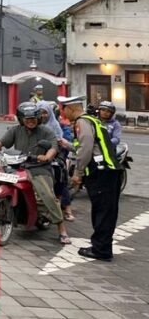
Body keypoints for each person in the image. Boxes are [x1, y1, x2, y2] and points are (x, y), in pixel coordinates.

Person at [0, 102, 71, 245]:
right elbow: (1, 142)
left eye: (33, 119)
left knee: (47, 196)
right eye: (27, 119)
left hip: (39, 168)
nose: (31, 122)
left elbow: (53, 147)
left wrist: (47, 156)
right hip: (18, 165)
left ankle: (61, 229)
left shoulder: (46, 131)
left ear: (38, 118)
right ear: (21, 119)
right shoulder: (16, 130)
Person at [60, 95, 121, 261]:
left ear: (71, 108)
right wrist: (66, 144)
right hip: (110, 171)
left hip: (101, 172)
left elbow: (86, 149)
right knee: (107, 211)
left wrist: (77, 173)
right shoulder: (92, 120)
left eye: (64, 109)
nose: (63, 113)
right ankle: (101, 246)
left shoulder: (82, 122)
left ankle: (101, 250)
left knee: (102, 212)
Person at [37, 101, 75, 222]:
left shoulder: (59, 125)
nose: (42, 115)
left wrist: (60, 143)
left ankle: (67, 209)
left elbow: (64, 142)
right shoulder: (32, 124)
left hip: (58, 153)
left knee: (59, 176)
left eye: (45, 113)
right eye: (40, 113)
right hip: (38, 154)